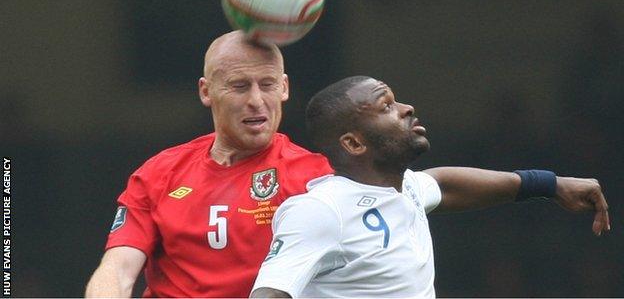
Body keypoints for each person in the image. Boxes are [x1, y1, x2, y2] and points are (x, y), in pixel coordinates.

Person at [250, 75, 611, 298]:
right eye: (386, 106)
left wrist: (548, 184)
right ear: (354, 144)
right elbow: (270, 292)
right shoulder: (321, 209)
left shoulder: (405, 189)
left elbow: (445, 184)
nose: (406, 108)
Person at [84, 30, 334, 297]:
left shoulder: (318, 180)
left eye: (267, 84)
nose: (256, 101)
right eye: (239, 86)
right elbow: (117, 270)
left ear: (284, 87)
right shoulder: (158, 174)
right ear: (206, 91)